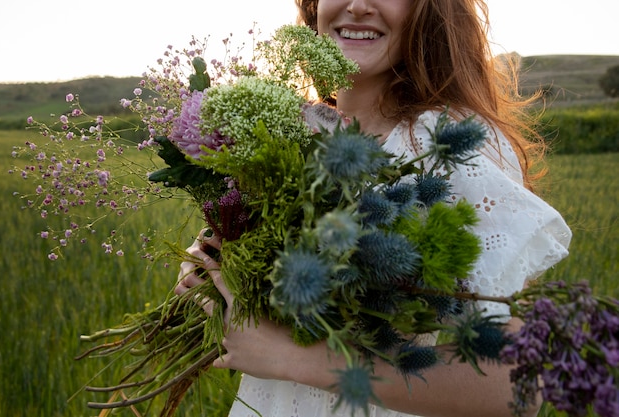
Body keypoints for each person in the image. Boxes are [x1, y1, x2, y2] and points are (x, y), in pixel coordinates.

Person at [175, 0, 572, 416]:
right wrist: (210, 275)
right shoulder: (289, 129)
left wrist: (292, 358)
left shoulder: (444, 145)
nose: (359, 5)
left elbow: (514, 386)